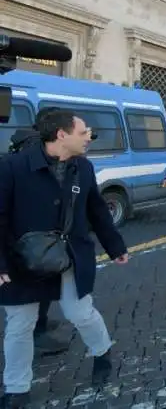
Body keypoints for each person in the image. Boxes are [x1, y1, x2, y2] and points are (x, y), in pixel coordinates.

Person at [0, 110, 129, 407]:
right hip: (22, 259)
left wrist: (115, 245)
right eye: (84, 132)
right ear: (61, 134)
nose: (89, 137)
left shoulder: (83, 167)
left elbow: (96, 209)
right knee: (20, 324)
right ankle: (16, 389)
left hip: (71, 255)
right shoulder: (12, 167)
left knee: (80, 313)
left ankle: (102, 352)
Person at [6, 107, 72, 358]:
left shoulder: (23, 140)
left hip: (27, 235)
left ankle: (37, 325)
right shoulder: (37, 148)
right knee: (35, 288)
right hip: (35, 238)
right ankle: (38, 332)